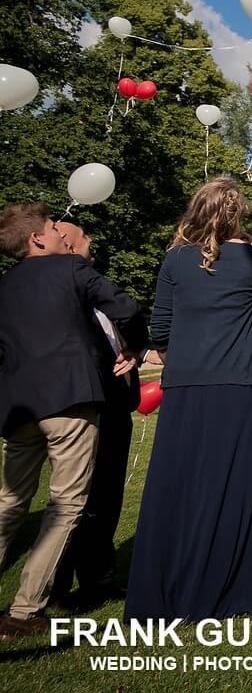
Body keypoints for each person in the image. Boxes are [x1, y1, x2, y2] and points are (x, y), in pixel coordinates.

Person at [125, 178, 252, 622]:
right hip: (233, 384)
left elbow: (162, 328)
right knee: (231, 484)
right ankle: (226, 588)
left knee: (174, 485)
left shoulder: (175, 259)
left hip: (184, 383)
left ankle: (164, 589)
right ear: (238, 213)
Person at [0, 204, 146, 638]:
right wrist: (134, 348)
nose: (61, 235)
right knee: (67, 505)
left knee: (8, 504)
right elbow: (126, 307)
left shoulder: (4, 285)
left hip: (18, 409)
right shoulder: (71, 269)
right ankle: (26, 610)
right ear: (37, 239)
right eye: (52, 228)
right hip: (71, 401)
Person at [52, 220, 142, 608]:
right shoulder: (63, 297)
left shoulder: (97, 292)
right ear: (70, 247)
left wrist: (132, 352)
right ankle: (58, 585)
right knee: (76, 498)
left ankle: (100, 579)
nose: (92, 241)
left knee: (107, 497)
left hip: (116, 407)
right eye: (85, 236)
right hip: (88, 406)